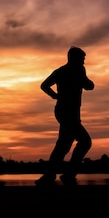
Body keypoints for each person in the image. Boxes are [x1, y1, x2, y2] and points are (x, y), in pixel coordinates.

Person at [36, 46, 95, 186]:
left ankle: (50, 176)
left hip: (65, 111)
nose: (84, 62)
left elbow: (44, 85)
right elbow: (89, 86)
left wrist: (55, 96)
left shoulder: (61, 71)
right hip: (68, 113)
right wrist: (55, 96)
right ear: (75, 58)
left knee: (63, 144)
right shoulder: (77, 70)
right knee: (84, 141)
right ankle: (67, 174)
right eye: (82, 59)